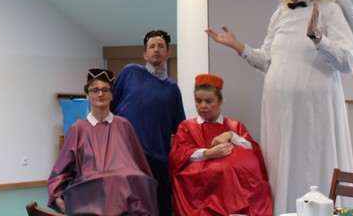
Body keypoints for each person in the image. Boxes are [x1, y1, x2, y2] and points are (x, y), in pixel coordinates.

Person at [205, 0, 353, 214]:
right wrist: (238, 46)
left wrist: (317, 38)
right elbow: (267, 61)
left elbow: (348, 61)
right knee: (280, 165)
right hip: (279, 109)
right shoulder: (280, 14)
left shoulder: (329, 10)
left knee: (312, 160)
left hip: (314, 109)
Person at [48, 68, 158, 216]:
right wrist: (59, 200)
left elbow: (141, 168)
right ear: (87, 96)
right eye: (95, 90)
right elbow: (58, 174)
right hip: (89, 199)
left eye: (105, 90)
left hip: (125, 200)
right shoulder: (77, 129)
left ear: (112, 95)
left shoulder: (124, 125)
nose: (100, 94)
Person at [169, 73, 272, 216]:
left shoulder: (234, 126)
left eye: (208, 101)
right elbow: (178, 156)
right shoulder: (187, 127)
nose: (202, 106)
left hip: (234, 190)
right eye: (198, 101)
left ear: (220, 100)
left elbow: (253, 152)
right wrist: (208, 154)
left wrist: (231, 136)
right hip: (202, 191)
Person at [110, 29, 185, 216]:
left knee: (158, 209)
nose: (156, 49)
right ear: (144, 54)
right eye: (151, 46)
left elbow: (180, 130)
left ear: (168, 53)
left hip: (157, 163)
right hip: (125, 158)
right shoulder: (129, 72)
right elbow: (109, 108)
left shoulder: (173, 90)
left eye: (160, 46)